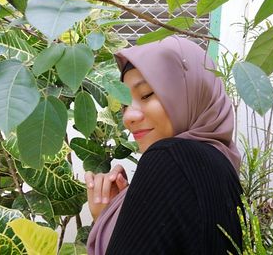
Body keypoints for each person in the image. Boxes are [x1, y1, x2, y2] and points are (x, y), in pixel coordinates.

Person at [85, 36, 243, 255]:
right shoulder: (223, 168)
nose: (128, 116)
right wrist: (126, 213)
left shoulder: (169, 158)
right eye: (124, 104)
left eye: (147, 94)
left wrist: (103, 220)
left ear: (190, 91)